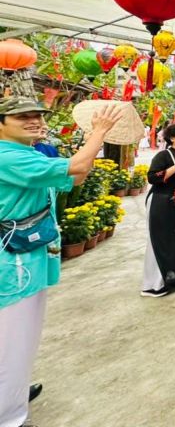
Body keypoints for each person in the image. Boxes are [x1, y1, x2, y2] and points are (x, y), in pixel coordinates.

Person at [0, 97, 121, 427]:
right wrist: (99, 132)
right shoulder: (5, 155)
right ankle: (8, 417)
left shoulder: (30, 154)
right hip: (13, 264)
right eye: (22, 116)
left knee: (22, 338)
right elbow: (79, 168)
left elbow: (75, 178)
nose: (34, 120)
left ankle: (13, 392)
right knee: (11, 340)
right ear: (1, 123)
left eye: (38, 114)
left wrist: (89, 147)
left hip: (28, 258)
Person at [141, 123, 175, 297]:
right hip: (162, 203)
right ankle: (153, 285)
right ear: (172, 138)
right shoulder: (163, 155)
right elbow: (152, 178)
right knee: (162, 242)